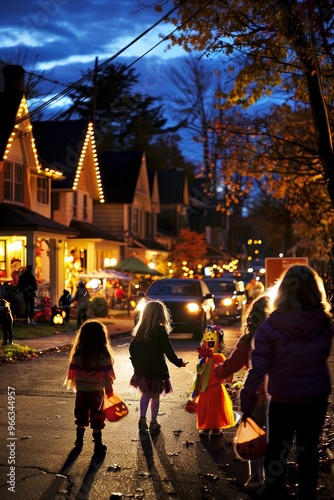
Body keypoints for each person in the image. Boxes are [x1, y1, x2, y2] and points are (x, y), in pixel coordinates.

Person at [240, 265, 334, 500]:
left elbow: (258, 368)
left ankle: (275, 492)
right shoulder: (324, 323)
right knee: (308, 450)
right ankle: (307, 494)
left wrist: (248, 396)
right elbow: (322, 353)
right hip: (315, 397)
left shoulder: (270, 327)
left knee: (277, 451)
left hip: (283, 397)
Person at [215, 294, 273, 489]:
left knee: (253, 436)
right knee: (276, 436)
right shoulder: (286, 336)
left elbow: (231, 365)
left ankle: (255, 477)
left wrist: (218, 371)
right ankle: (273, 477)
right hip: (281, 391)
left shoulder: (248, 340)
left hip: (256, 395)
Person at [129, 300, 188, 432]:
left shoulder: (140, 331)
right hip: (156, 370)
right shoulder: (160, 331)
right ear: (161, 315)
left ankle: (142, 418)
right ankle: (153, 422)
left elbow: (132, 349)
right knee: (155, 395)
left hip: (142, 370)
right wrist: (179, 362)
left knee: (145, 394)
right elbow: (168, 350)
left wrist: (136, 364)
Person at [65, 320, 115, 453]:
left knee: (81, 414)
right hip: (97, 391)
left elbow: (73, 373)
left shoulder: (78, 354)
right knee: (97, 416)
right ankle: (98, 444)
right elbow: (106, 377)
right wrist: (109, 392)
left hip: (82, 391)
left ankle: (79, 440)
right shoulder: (103, 355)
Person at [186, 325, 235, 435]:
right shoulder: (203, 358)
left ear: (218, 344)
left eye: (211, 342)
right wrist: (196, 387)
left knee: (215, 408)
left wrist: (227, 377)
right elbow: (200, 373)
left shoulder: (218, 357)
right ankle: (206, 426)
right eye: (206, 342)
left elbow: (225, 369)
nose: (208, 345)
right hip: (204, 387)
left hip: (216, 386)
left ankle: (216, 427)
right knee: (204, 407)